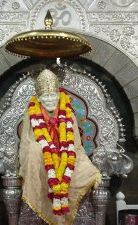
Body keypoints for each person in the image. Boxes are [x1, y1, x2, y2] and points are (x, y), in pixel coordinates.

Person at [19, 69, 101, 225]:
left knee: (86, 172)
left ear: (59, 95)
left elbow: (76, 146)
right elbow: (26, 143)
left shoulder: (67, 114)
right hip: (43, 160)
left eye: (53, 96)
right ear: (38, 98)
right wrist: (42, 150)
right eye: (45, 96)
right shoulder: (31, 114)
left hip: (67, 157)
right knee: (35, 152)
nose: (50, 100)